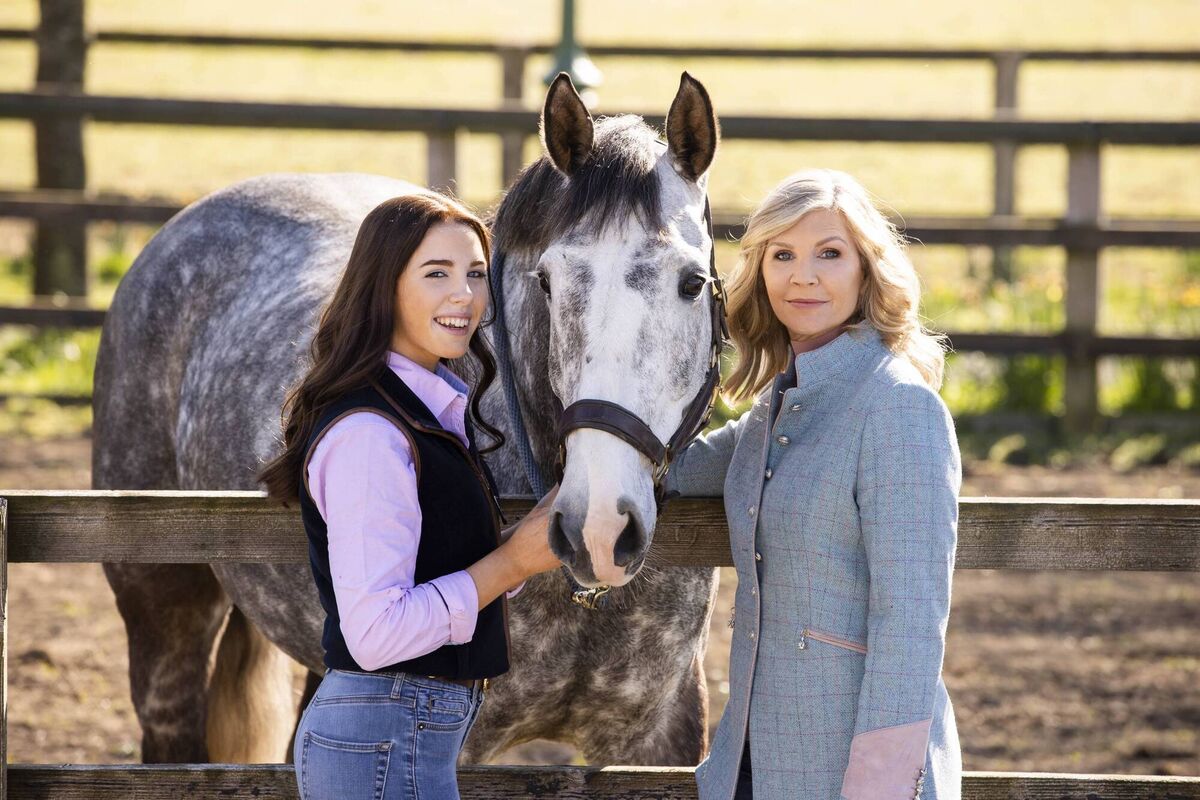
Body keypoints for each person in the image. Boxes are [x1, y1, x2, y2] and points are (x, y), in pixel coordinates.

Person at [667, 169, 962, 800]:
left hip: (852, 772)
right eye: (784, 255)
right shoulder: (780, 405)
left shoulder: (899, 407)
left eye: (830, 253)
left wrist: (879, 786)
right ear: (761, 271)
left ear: (866, 270)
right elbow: (676, 472)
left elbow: (911, 620)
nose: (804, 275)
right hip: (750, 760)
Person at [258, 193, 560, 800]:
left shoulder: (422, 408)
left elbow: (431, 559)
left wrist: (520, 547)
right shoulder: (371, 434)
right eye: (437, 274)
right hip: (384, 732)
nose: (466, 296)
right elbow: (376, 634)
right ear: (384, 286)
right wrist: (512, 562)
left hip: (397, 730)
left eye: (476, 273)